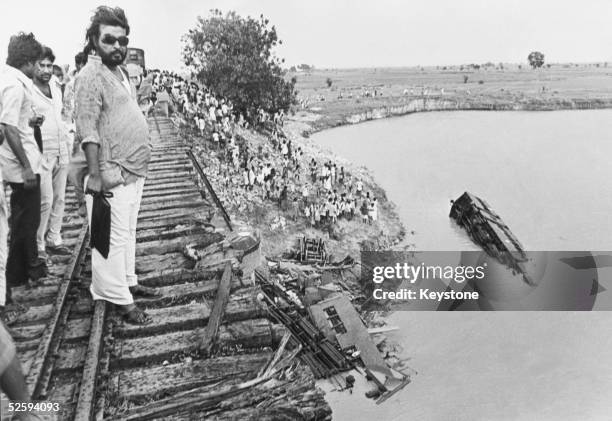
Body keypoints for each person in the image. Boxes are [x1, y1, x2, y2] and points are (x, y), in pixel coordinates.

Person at [73, 6, 157, 324]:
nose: (118, 47)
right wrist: (94, 175)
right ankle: (116, 297)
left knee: (128, 232)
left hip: (132, 169)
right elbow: (88, 128)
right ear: (94, 40)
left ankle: (129, 281)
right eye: (109, 40)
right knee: (111, 238)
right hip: (110, 171)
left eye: (122, 41)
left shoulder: (119, 73)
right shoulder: (90, 76)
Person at [0, 33, 47, 306]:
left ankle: (22, 274)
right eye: (36, 63)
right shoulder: (15, 85)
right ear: (27, 62)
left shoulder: (9, 81)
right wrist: (27, 168)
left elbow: (13, 121)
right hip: (21, 168)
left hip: (21, 163)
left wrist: (32, 120)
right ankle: (15, 280)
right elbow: (8, 128)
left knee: (24, 223)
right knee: (23, 224)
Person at [31, 46, 71, 258]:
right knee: (44, 200)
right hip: (41, 151)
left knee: (60, 197)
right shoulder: (28, 90)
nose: (46, 70)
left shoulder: (55, 87)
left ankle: (54, 237)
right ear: (34, 66)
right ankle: (38, 245)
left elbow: (62, 114)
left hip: (61, 148)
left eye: (49, 65)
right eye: (42, 65)